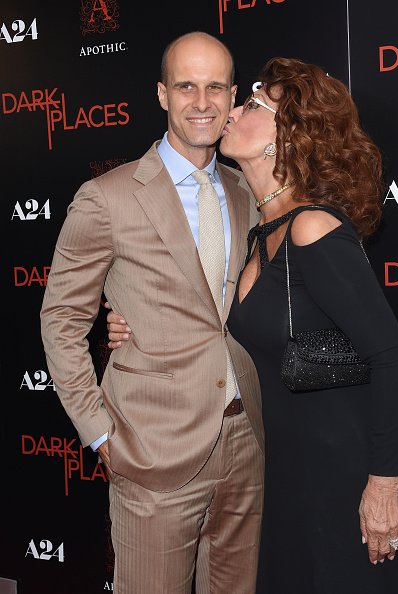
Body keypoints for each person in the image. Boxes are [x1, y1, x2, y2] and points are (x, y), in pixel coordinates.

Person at [106, 57, 398, 593]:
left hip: (350, 467)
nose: (233, 110)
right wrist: (127, 321)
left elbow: (390, 355)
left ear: (286, 139)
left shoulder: (311, 226)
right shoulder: (260, 231)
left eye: (253, 105)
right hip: (290, 467)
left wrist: (382, 484)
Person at [40, 31, 264, 594]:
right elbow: (61, 319)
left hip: (246, 439)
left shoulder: (245, 192)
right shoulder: (108, 197)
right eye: (186, 85)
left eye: (216, 87)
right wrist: (99, 433)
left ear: (234, 96)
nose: (202, 101)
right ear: (162, 94)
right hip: (151, 449)